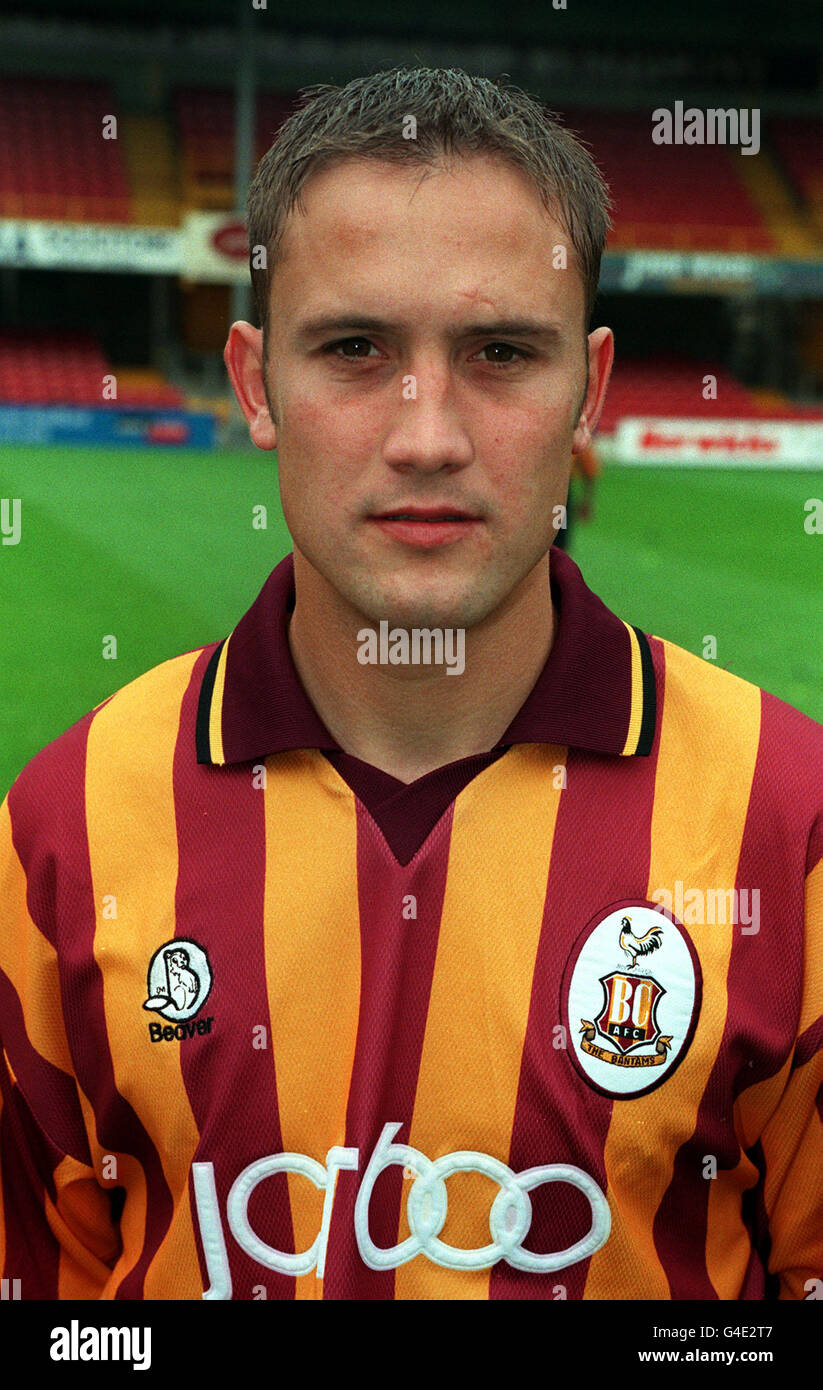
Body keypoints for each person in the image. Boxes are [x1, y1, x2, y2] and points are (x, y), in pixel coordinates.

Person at [1, 67, 820, 1302]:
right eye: (352, 347)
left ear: (588, 390)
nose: (426, 434)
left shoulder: (792, 824)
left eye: (500, 352)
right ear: (254, 381)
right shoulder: (60, 829)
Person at [553, 440, 600, 552]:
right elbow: (590, 473)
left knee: (556, 537)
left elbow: (589, 472)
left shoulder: (575, 439)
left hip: (558, 495)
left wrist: (587, 501)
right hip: (555, 493)